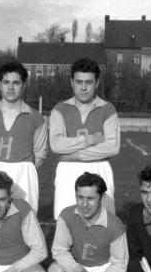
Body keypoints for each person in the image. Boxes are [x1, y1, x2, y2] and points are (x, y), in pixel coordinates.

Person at [47, 172, 128, 272]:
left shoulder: (115, 225)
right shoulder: (66, 215)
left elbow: (121, 263)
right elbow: (59, 251)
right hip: (77, 265)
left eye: (90, 198)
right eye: (80, 197)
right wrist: (79, 270)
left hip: (104, 268)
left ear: (103, 197)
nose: (84, 204)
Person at [49, 57, 120, 220]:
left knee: (102, 223)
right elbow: (56, 145)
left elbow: (112, 146)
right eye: (79, 82)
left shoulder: (108, 109)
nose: (83, 87)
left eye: (88, 82)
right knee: (67, 222)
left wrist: (77, 154)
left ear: (97, 83)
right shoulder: (59, 109)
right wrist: (91, 139)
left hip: (99, 167)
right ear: (71, 82)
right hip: (68, 170)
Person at [0, 61, 47, 212]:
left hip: (23, 173)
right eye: (6, 82)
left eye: (16, 83)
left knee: (25, 219)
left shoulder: (37, 118)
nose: (11, 87)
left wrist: (26, 170)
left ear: (24, 85)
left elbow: (40, 154)